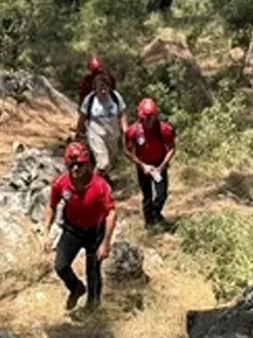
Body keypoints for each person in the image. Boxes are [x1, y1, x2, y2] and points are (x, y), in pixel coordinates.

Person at [42, 142, 116, 311]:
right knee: (61, 265)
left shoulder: (99, 185)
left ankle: (93, 307)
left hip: (95, 231)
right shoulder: (60, 183)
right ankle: (75, 288)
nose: (76, 169)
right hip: (72, 230)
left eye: (80, 165)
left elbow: (111, 212)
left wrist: (106, 242)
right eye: (71, 165)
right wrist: (45, 232)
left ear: (87, 164)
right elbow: (51, 206)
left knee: (93, 271)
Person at [123, 98, 176, 228]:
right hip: (143, 164)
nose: (148, 121)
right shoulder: (133, 131)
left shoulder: (164, 129)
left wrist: (162, 166)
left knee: (161, 194)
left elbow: (172, 148)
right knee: (147, 195)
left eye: (150, 118)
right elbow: (127, 150)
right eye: (145, 118)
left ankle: (156, 214)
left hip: (159, 163)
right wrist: (142, 165)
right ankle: (149, 223)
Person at [75, 73, 127, 178]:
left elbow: (121, 114)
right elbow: (82, 117)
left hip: (113, 135)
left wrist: (126, 130)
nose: (103, 91)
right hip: (96, 135)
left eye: (105, 88)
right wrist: (79, 132)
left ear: (109, 87)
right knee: (103, 163)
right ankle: (92, 187)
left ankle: (102, 183)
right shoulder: (90, 100)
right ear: (95, 88)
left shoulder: (115, 97)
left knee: (109, 163)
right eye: (100, 88)